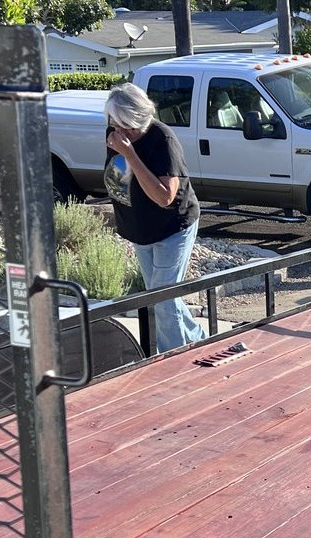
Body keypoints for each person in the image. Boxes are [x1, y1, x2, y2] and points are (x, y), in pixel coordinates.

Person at [102, 83, 205, 353]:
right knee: (158, 296)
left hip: (172, 227)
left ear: (137, 119)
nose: (118, 131)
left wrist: (130, 154)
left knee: (163, 296)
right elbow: (117, 176)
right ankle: (198, 339)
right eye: (114, 123)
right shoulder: (116, 134)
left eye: (125, 125)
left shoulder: (163, 140)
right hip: (140, 228)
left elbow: (164, 197)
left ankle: (173, 359)